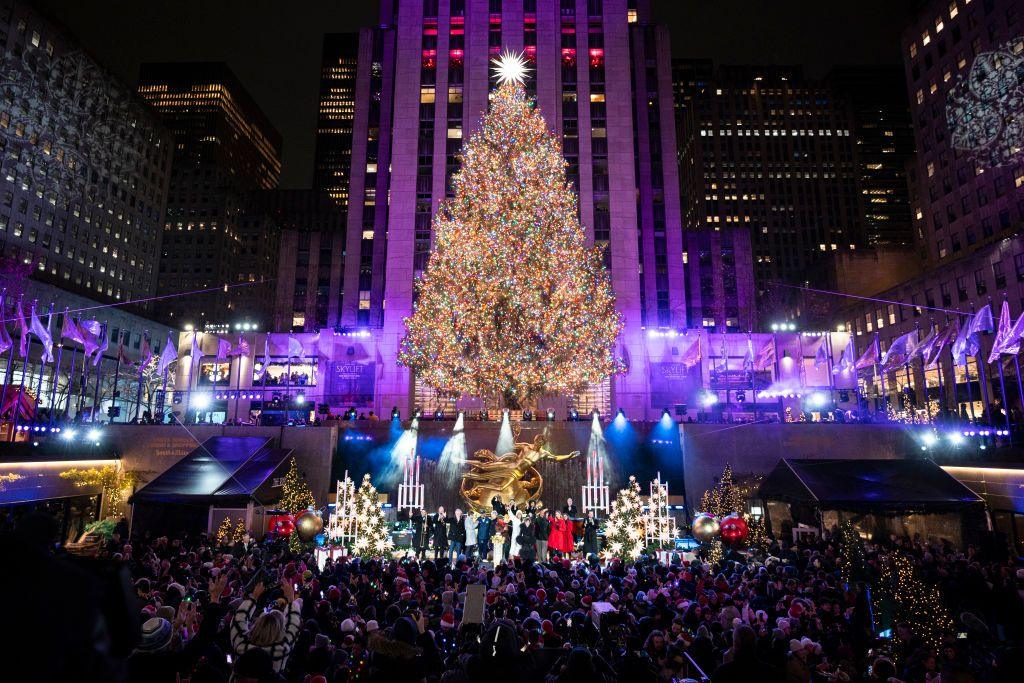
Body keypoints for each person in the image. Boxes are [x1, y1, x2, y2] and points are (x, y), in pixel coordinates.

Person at [230, 577, 303, 673]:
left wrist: (254, 597)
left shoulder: (241, 645)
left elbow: (238, 620)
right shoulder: (283, 649)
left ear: (256, 625)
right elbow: (293, 625)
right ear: (281, 630)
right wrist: (291, 599)